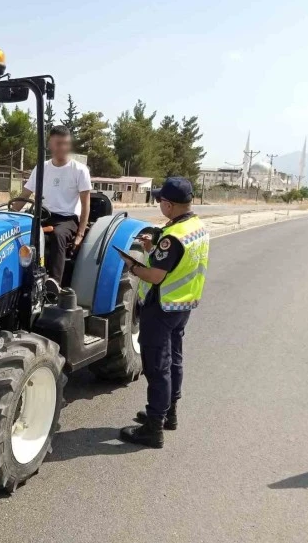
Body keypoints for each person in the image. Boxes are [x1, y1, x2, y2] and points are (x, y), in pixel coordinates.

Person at [118, 177, 210, 448]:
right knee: (174, 360)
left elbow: (156, 275)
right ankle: (169, 414)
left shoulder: (173, 238)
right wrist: (152, 248)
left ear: (169, 205)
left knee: (157, 367)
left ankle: (153, 429)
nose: (159, 204)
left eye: (160, 201)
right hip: (182, 305)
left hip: (161, 308)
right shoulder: (196, 227)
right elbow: (175, 263)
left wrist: (132, 267)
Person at [15, 125, 91, 295]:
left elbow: (86, 205)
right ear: (50, 144)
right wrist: (9, 214)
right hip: (42, 215)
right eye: (57, 143)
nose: (61, 148)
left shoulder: (79, 170)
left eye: (65, 144)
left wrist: (79, 234)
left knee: (58, 236)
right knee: (19, 233)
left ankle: (53, 285)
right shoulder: (42, 168)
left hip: (67, 219)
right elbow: (25, 195)